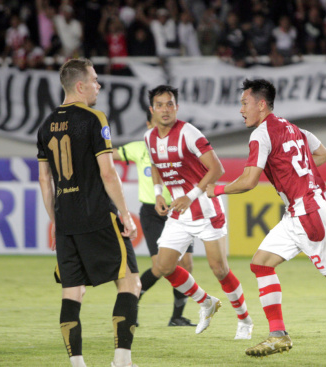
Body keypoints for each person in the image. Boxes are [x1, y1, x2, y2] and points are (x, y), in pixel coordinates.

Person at [206, 79, 326, 357]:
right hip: (300, 211)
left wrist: (216, 189)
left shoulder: (260, 135)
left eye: (245, 103)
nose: (241, 109)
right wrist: (294, 172)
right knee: (261, 264)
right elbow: (323, 154)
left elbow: (248, 181)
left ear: (261, 104)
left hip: (308, 213)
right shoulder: (295, 129)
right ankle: (278, 334)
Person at [37, 58, 140, 367]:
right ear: (80, 86)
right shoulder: (94, 118)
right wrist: (125, 213)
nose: (99, 85)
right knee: (130, 282)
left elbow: (44, 180)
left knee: (72, 292)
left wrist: (55, 222)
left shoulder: (45, 126)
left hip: (66, 221)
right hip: (97, 214)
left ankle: (77, 363)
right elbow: (108, 174)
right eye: (95, 79)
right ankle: (121, 360)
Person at [144, 85, 254, 339]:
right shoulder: (149, 137)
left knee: (220, 270)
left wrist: (190, 196)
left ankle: (245, 320)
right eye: (159, 105)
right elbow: (155, 165)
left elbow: (217, 168)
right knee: (164, 265)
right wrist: (159, 193)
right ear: (152, 110)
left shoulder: (188, 132)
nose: (165, 109)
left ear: (177, 107)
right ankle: (206, 302)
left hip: (205, 210)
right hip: (179, 213)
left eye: (169, 104)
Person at [112, 111, 196, 327]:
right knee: (160, 266)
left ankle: (177, 317)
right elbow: (109, 155)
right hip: (152, 213)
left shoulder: (178, 147)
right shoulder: (138, 148)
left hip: (180, 211)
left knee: (186, 264)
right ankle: (133, 302)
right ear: (149, 124)